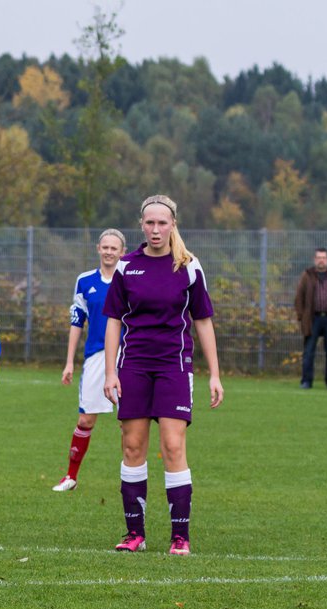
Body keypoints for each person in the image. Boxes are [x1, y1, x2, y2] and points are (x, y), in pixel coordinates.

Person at [103, 194, 223, 555]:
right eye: (150, 223)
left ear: (173, 225)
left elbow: (203, 321)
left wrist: (214, 374)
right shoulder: (127, 266)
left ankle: (180, 536)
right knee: (132, 445)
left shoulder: (188, 266)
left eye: (162, 223)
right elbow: (112, 321)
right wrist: (110, 372)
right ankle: (134, 534)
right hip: (134, 365)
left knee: (173, 446)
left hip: (174, 366)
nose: (156, 229)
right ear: (141, 225)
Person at [53, 228, 126, 492]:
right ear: (98, 249)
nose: (108, 252)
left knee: (127, 422)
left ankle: (128, 478)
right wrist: (69, 362)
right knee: (85, 420)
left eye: (113, 248)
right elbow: (77, 322)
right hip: (96, 357)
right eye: (104, 247)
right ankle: (71, 477)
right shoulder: (84, 281)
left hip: (126, 355)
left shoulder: (130, 278)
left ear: (122, 252)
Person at [293, 247, 327, 390]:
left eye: (323, 258)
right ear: (314, 259)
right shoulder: (307, 276)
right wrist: (301, 317)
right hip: (313, 319)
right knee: (309, 352)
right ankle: (306, 381)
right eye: (318, 257)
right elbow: (299, 297)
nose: (321, 260)